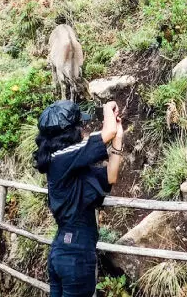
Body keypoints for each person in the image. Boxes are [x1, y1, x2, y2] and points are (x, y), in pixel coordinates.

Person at [34, 100, 124, 297]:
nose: (83, 129)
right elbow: (106, 133)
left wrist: (118, 139)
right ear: (71, 131)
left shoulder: (68, 165)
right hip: (76, 255)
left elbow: (111, 176)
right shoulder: (62, 157)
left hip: (63, 251)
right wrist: (108, 108)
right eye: (80, 125)